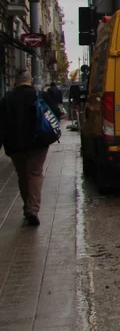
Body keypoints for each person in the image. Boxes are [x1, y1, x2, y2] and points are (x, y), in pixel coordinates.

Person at [0, 69, 60, 226]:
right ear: (30, 80)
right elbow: (56, 113)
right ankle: (32, 209)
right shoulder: (39, 95)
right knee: (35, 174)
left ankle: (28, 206)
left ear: (15, 81)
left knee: (22, 176)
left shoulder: (6, 99)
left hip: (14, 146)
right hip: (38, 143)